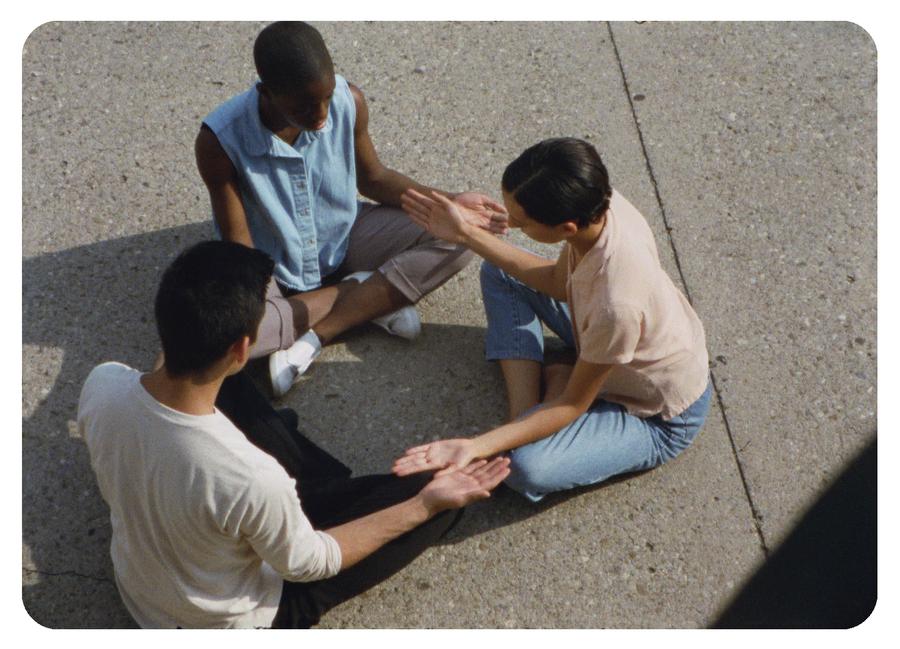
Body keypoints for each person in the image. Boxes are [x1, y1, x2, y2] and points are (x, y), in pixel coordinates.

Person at [77, 241, 509, 628]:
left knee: (225, 386)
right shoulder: (251, 477)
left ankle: (310, 488)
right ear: (243, 348)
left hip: (142, 593)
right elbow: (310, 564)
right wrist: (425, 504)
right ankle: (334, 495)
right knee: (438, 494)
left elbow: (176, 372)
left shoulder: (103, 384)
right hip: (229, 619)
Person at [195, 21, 507, 397]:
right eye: (305, 106)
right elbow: (239, 252)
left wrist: (452, 202)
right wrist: (248, 309)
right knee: (224, 340)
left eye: (326, 96)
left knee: (459, 237)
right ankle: (366, 294)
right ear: (267, 92)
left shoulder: (350, 101)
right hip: (271, 269)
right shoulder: (219, 141)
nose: (322, 113)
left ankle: (317, 335)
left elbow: (373, 179)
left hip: (343, 237)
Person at [394, 138, 711, 502]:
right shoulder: (600, 203)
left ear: (567, 228)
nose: (510, 223)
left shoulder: (615, 304)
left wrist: (475, 446)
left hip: (656, 415)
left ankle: (544, 399)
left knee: (525, 469)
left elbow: (571, 405)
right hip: (606, 337)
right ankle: (530, 413)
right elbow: (559, 284)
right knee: (501, 272)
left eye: (523, 222)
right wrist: (467, 233)